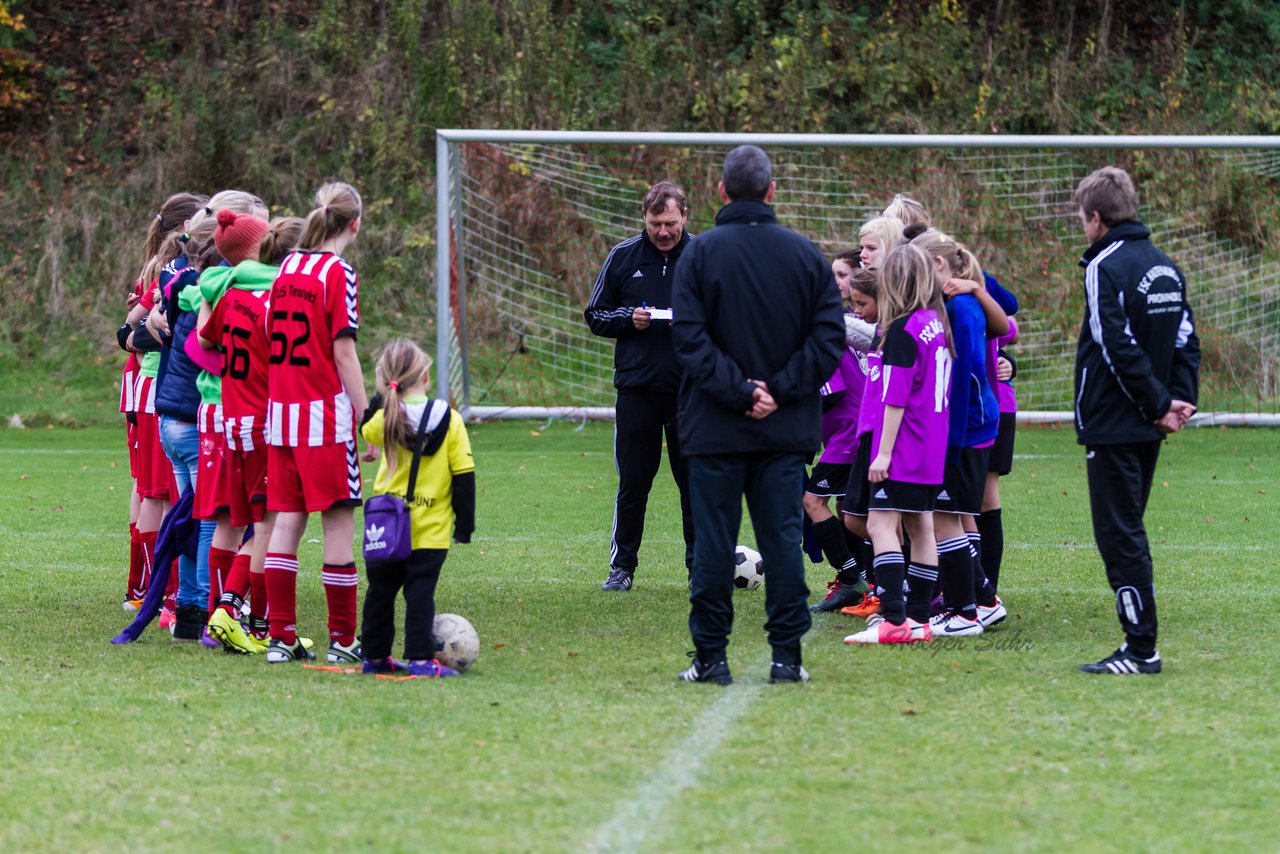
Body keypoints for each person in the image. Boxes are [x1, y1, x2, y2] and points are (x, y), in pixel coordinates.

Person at [671, 145, 844, 684]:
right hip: (783, 430)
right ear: (772, 192)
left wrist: (746, 392)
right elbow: (829, 339)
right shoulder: (806, 255)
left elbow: (689, 340)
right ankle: (787, 660)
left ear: (721, 193)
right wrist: (775, 391)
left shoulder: (698, 255)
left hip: (717, 429)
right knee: (782, 543)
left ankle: (711, 660)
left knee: (713, 547)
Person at [1071, 166, 1199, 676]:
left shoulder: (1104, 264)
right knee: (1129, 529)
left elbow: (1114, 343)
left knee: (1120, 535)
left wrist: (1157, 404)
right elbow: (1187, 337)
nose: (1082, 228)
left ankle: (1140, 649)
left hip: (1116, 422)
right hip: (1147, 422)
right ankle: (1139, 644)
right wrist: (1178, 400)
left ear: (1096, 218)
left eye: (1082, 219)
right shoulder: (1165, 265)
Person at [262, 182, 370, 665]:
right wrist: (366, 414)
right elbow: (343, 351)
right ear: (355, 224)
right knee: (338, 526)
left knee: (287, 522)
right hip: (324, 420)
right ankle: (343, 640)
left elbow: (271, 334)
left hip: (281, 417)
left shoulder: (285, 268)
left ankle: (281, 637)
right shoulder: (337, 273)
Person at [200, 212, 306, 654]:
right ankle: (233, 613)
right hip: (266, 423)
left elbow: (205, 342)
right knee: (271, 525)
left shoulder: (232, 295)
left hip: (233, 420)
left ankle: (251, 623)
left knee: (248, 522)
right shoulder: (276, 300)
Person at [584, 181, 696, 592]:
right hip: (637, 389)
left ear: (685, 215)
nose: (663, 231)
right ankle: (622, 567)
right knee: (633, 482)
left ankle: (697, 567)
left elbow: (726, 315)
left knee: (694, 483)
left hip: (691, 391)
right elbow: (595, 314)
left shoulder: (703, 256)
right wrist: (627, 318)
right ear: (644, 220)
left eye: (669, 223)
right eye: (654, 224)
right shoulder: (623, 256)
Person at [843, 243, 951, 645]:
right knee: (921, 526)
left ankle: (894, 620)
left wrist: (883, 453)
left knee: (881, 523)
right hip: (931, 445)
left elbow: (897, 397)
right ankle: (919, 620)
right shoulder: (935, 323)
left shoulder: (904, 330)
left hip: (904, 445)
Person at [359, 339, 475, 678]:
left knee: (379, 594)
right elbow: (464, 476)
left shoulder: (384, 418)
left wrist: (382, 394)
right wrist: (464, 525)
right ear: (425, 377)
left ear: (386, 381)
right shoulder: (451, 421)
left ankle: (375, 657)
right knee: (420, 596)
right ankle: (421, 660)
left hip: (386, 527)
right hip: (430, 530)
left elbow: (366, 424)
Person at [807, 254, 871, 613]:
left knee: (812, 501)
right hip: (854, 431)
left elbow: (829, 391)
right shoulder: (851, 324)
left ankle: (851, 577)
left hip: (848, 434)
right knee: (851, 511)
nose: (834, 282)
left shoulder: (829, 330)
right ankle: (865, 579)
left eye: (842, 275)